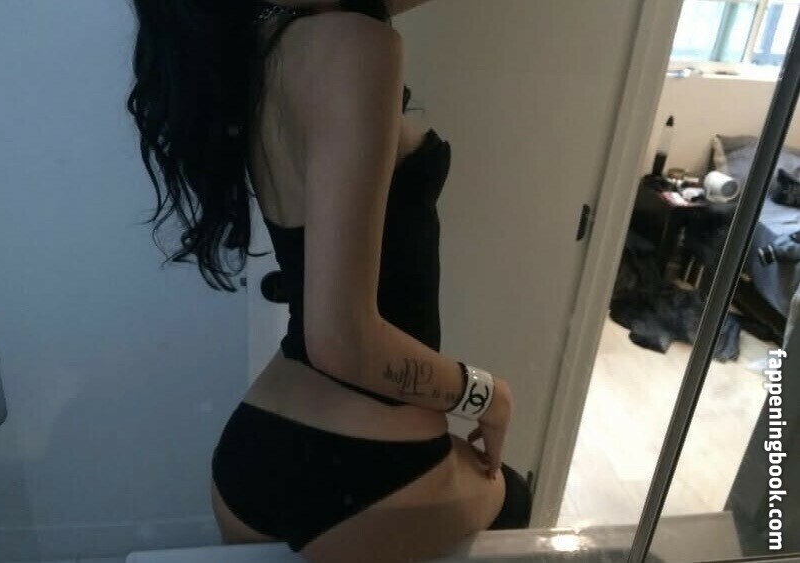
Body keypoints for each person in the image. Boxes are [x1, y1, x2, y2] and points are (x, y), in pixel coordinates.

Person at [127, 1, 532, 561]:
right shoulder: (352, 43)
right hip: (367, 472)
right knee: (516, 500)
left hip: (254, 453)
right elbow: (342, 340)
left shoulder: (266, 39)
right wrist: (486, 394)